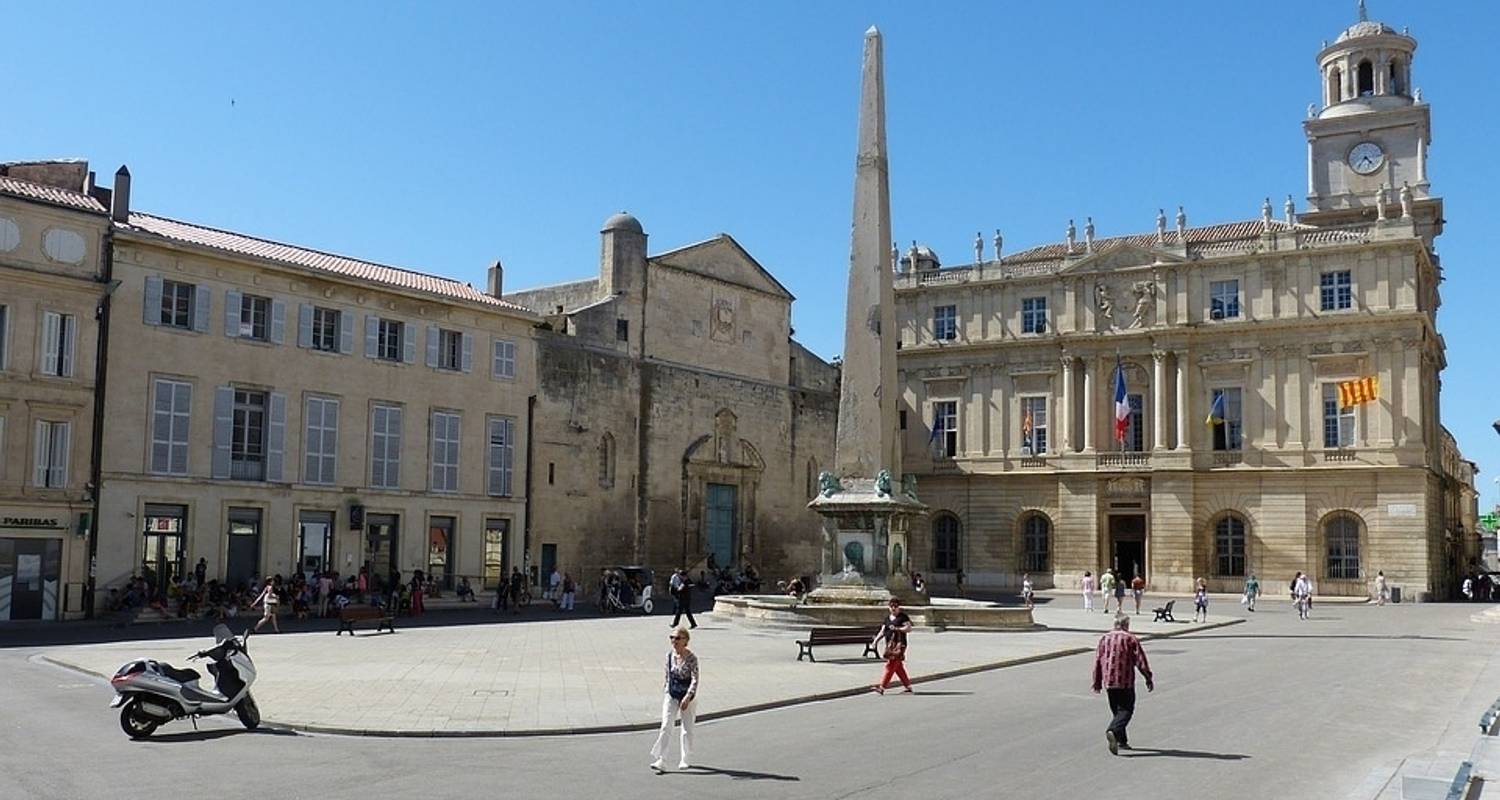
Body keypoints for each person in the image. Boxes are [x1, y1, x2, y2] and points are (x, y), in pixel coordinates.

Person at [1092, 614, 1154, 755]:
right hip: (1125, 682)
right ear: (1126, 625)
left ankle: (1121, 741)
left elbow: (1097, 661)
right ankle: (1113, 730)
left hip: (1109, 682)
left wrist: (1097, 681)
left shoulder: (1104, 638)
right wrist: (1148, 677)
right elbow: (1140, 661)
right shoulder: (1130, 638)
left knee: (1117, 711)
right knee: (1126, 710)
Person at [649, 626, 699, 772]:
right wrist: (666, 691)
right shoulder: (669, 656)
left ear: (685, 641)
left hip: (687, 696)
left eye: (677, 638)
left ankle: (685, 758)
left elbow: (695, 679)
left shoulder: (692, 659)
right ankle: (661, 759)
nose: (674, 641)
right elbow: (667, 675)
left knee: (687, 728)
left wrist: (688, 697)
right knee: (666, 725)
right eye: (671, 638)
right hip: (672, 693)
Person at [871, 598, 914, 694]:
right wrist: (875, 641)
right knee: (898, 667)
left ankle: (882, 687)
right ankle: (908, 687)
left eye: (895, 606)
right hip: (890, 645)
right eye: (891, 606)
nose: (893, 608)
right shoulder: (887, 619)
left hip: (900, 645)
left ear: (899, 607)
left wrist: (898, 629)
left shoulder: (903, 617)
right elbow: (882, 631)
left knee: (890, 665)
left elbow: (909, 628)